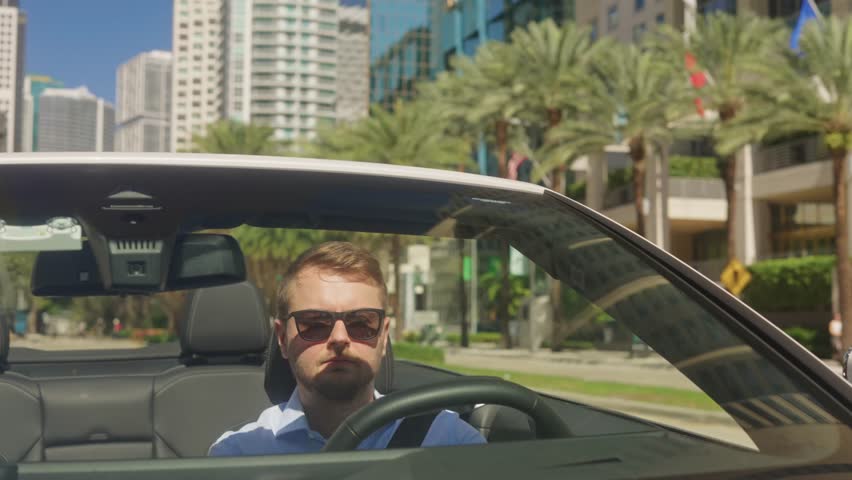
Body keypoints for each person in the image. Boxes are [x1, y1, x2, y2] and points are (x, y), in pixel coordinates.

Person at [209, 241, 485, 456]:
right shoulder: (240, 453)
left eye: (361, 322)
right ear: (282, 338)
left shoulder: (450, 441)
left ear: (383, 335)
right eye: (315, 323)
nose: (339, 337)